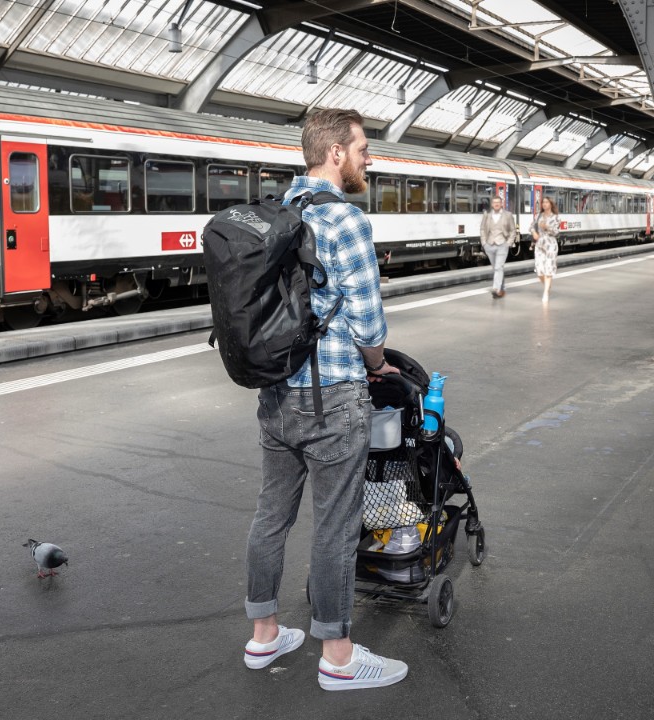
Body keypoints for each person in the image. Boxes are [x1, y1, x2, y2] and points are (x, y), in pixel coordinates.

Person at [241, 108, 409, 692]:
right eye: (363, 148)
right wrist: (378, 364)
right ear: (335, 152)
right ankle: (337, 656)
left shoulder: (275, 214)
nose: (369, 159)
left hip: (275, 394)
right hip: (333, 397)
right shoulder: (345, 220)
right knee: (336, 525)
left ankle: (264, 636)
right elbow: (367, 323)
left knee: (271, 515)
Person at [479, 194, 517, 298]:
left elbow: (513, 230)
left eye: (498, 202)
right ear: (492, 204)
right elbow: (482, 229)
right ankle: (501, 288)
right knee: (496, 268)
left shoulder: (508, 215)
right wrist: (484, 243)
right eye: (494, 203)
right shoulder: (487, 215)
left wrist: (508, 243)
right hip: (490, 245)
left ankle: (496, 289)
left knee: (498, 267)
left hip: (502, 245)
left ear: (501, 204)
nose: (496, 204)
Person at [531, 196, 560, 302]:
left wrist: (547, 227)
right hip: (539, 245)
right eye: (543, 202)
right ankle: (547, 286)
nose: (544, 204)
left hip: (550, 245)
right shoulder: (538, 216)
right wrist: (534, 232)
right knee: (539, 271)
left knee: (548, 270)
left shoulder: (555, 217)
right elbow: (531, 226)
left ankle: (546, 292)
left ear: (551, 204)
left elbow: (557, 232)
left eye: (547, 202)